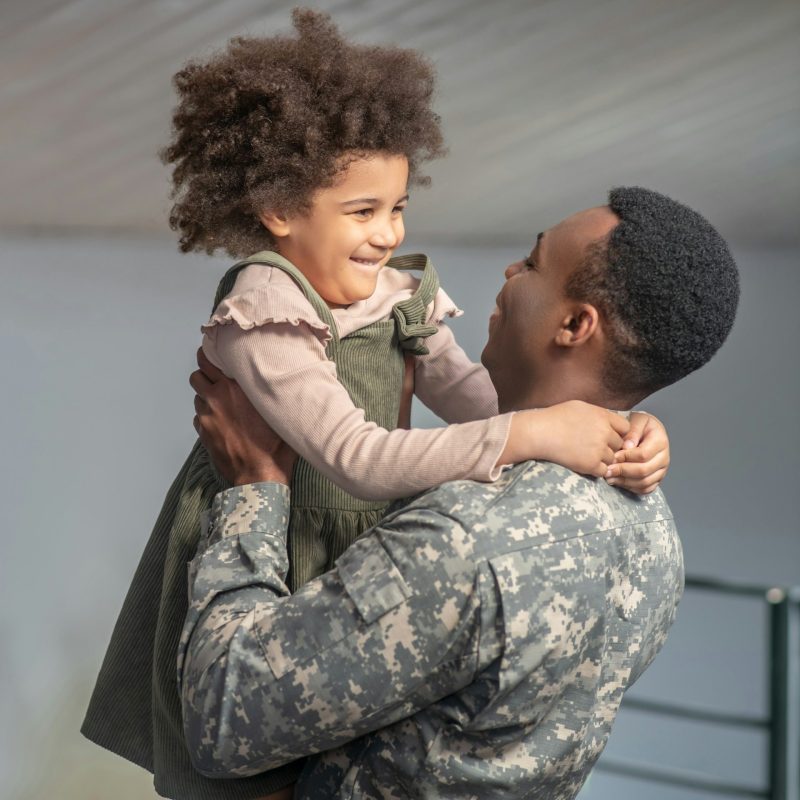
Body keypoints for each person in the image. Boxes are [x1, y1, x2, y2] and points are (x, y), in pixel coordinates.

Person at [81, 11, 669, 800]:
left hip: (357, 526)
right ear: (281, 210)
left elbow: (476, 399)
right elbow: (357, 457)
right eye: (363, 212)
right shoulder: (267, 311)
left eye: (397, 208)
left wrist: (618, 429)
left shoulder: (400, 293)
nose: (389, 233)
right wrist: (537, 431)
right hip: (283, 528)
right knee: (246, 763)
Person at [180, 187, 739, 798]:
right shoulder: (652, 523)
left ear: (576, 325)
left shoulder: (462, 543)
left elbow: (223, 718)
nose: (509, 272)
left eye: (532, 263)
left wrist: (253, 486)